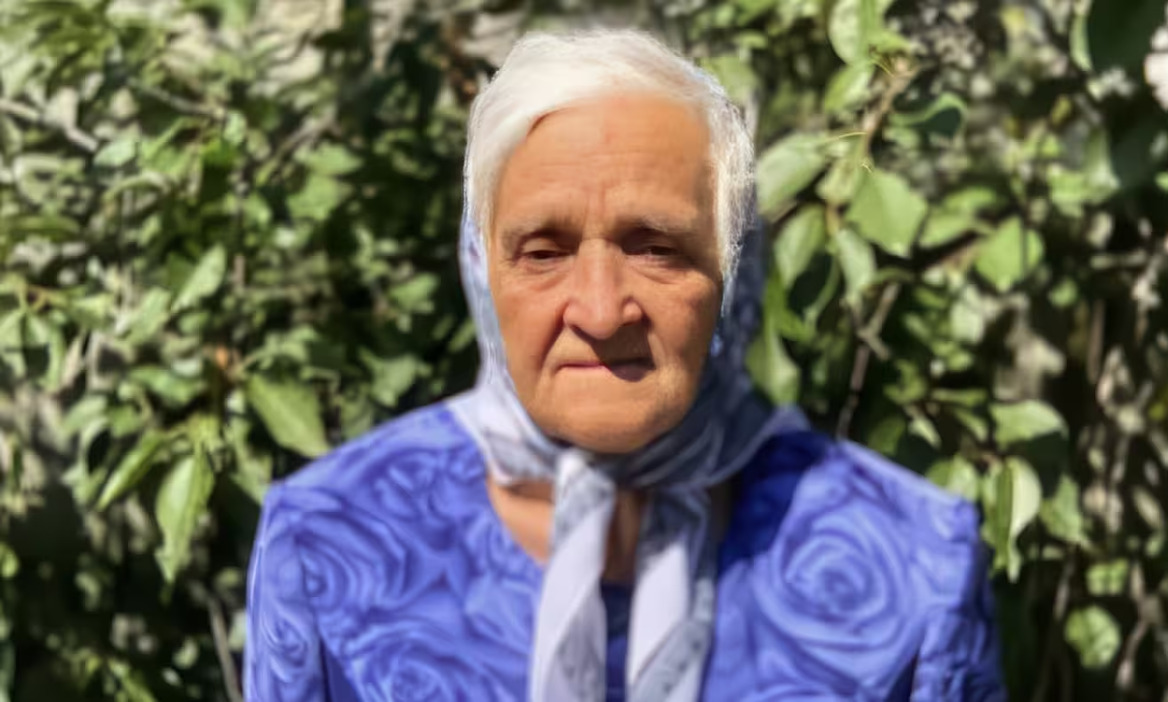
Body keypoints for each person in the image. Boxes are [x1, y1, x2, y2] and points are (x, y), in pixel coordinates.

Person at [244, 29, 1005, 702]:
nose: (602, 312)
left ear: (732, 273)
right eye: (543, 252)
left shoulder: (910, 558)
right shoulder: (330, 538)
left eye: (656, 248)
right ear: (481, 270)